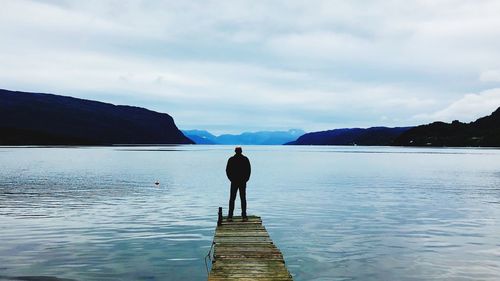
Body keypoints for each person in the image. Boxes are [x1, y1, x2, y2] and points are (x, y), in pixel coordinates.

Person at [226, 146, 251, 222]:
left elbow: (227, 170)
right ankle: (244, 216)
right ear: (241, 151)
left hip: (235, 181)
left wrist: (231, 179)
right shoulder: (245, 159)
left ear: (235, 151)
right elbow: (248, 170)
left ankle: (230, 216)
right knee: (242, 198)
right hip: (240, 181)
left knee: (232, 199)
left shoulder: (231, 159)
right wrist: (246, 179)